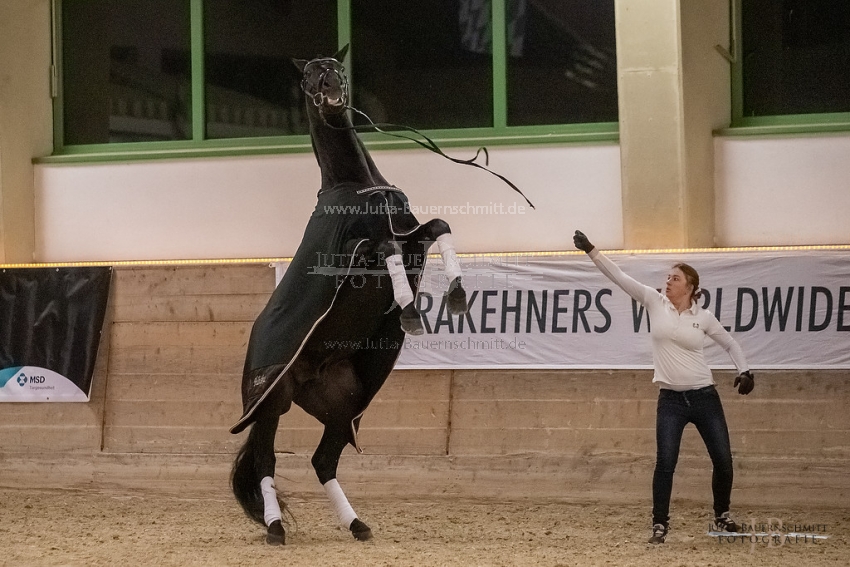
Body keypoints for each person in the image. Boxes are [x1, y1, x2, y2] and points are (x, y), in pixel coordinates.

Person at [572, 230, 754, 544]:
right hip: (669, 399)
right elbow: (619, 277)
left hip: (704, 397)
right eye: (667, 277)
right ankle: (660, 525)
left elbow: (730, 344)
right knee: (665, 463)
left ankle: (722, 517)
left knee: (723, 460)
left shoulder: (704, 317)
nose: (667, 281)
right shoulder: (654, 302)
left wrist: (745, 370)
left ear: (690, 286)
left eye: (674, 278)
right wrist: (592, 250)